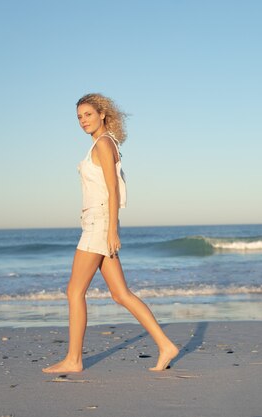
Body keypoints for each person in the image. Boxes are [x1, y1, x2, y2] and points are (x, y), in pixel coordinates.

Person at [43, 93, 178, 373]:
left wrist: (111, 230)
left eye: (88, 115)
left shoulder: (104, 144)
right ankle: (165, 345)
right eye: (79, 117)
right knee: (120, 294)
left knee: (74, 291)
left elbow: (112, 189)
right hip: (98, 222)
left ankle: (74, 359)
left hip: (99, 223)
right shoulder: (104, 143)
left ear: (102, 114)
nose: (83, 121)